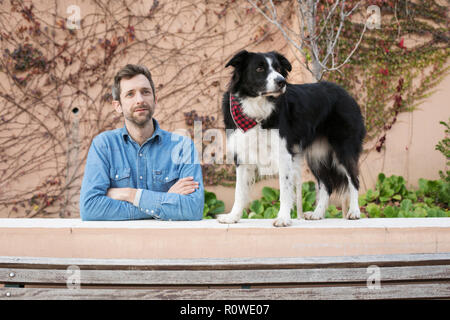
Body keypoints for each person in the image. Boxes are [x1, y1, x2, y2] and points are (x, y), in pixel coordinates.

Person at [80, 64, 204, 221]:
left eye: (145, 92)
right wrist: (166, 200)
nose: (140, 100)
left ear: (155, 99)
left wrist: (130, 194)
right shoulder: (104, 145)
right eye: (130, 94)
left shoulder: (182, 147)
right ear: (117, 106)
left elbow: (193, 209)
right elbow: (90, 208)